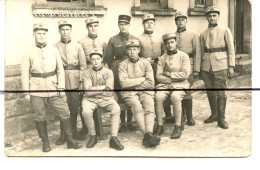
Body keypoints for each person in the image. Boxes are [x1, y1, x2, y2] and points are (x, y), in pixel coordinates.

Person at [21, 23, 82, 152]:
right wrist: (26, 92)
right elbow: (25, 74)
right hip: (37, 89)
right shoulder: (27, 52)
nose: (42, 36)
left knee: (65, 111)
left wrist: (61, 87)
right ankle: (45, 142)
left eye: (44, 33)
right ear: (34, 34)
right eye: (39, 33)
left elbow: (60, 70)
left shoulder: (53, 50)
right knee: (39, 116)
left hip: (54, 87)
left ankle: (70, 140)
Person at [118, 39, 160, 147]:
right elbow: (123, 83)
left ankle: (148, 133)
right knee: (137, 106)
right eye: (129, 49)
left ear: (139, 50)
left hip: (146, 92)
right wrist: (141, 80)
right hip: (129, 94)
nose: (132, 52)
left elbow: (151, 83)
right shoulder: (122, 65)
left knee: (149, 105)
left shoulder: (146, 63)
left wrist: (133, 85)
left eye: (134, 49)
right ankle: (147, 134)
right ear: (126, 51)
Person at [81, 48, 124, 150]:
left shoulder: (108, 72)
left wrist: (94, 89)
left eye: (97, 59)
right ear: (90, 61)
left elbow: (109, 90)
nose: (95, 61)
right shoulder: (86, 73)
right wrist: (102, 87)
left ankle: (114, 138)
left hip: (106, 98)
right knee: (86, 112)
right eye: (93, 59)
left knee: (116, 109)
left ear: (101, 60)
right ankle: (93, 136)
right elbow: (87, 91)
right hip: (89, 99)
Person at [200, 6, 235, 129]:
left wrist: (231, 66)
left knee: (220, 91)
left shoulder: (225, 30)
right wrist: (200, 69)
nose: (212, 18)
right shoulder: (203, 33)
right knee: (210, 90)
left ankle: (221, 118)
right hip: (206, 65)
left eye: (214, 15)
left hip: (221, 64)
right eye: (209, 16)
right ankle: (214, 114)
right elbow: (201, 51)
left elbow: (231, 49)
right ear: (207, 18)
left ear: (218, 17)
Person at [54, 20, 87, 144]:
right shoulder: (55, 47)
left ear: (71, 31)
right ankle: (63, 134)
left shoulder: (78, 46)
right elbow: (54, 67)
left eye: (67, 29)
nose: (65, 32)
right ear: (59, 31)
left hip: (75, 81)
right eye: (62, 29)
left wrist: (81, 82)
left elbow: (83, 65)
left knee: (74, 108)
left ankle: (74, 131)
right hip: (61, 81)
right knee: (63, 108)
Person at [104, 15, 137, 133]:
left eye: (126, 24)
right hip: (118, 71)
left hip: (132, 70)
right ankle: (123, 123)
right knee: (121, 97)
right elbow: (108, 57)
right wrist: (115, 66)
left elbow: (139, 54)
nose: (123, 26)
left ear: (129, 25)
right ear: (118, 25)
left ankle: (130, 122)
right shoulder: (113, 40)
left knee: (131, 94)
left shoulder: (134, 38)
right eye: (121, 24)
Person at [138, 14, 173, 125]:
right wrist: (145, 59)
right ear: (143, 24)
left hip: (160, 68)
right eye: (146, 22)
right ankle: (153, 116)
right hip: (147, 69)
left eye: (151, 22)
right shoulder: (139, 38)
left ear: (154, 24)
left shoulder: (160, 37)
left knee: (163, 89)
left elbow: (165, 52)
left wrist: (160, 59)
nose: (149, 24)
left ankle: (168, 114)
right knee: (150, 91)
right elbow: (137, 55)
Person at [155, 33, 190, 139]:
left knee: (175, 96)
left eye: (172, 42)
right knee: (158, 97)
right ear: (164, 45)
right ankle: (160, 126)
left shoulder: (184, 56)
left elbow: (185, 74)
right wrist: (171, 80)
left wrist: (170, 74)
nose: (170, 45)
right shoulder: (162, 58)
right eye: (167, 43)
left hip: (181, 84)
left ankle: (177, 126)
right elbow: (158, 76)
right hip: (165, 85)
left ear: (176, 43)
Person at [78, 15, 107, 136]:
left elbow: (105, 60)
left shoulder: (103, 41)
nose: (93, 28)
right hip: (87, 74)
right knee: (86, 101)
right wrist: (81, 80)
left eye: (95, 26)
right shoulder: (81, 42)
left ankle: (99, 128)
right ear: (87, 28)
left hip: (100, 75)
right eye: (90, 26)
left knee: (99, 99)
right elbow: (82, 63)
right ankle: (86, 127)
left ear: (98, 27)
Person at [174, 11, 201, 127]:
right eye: (178, 19)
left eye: (183, 19)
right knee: (178, 91)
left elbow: (198, 53)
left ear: (186, 21)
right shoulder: (172, 35)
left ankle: (189, 116)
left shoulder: (193, 34)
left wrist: (196, 70)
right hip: (176, 68)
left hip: (189, 66)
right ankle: (182, 115)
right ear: (175, 22)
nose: (180, 21)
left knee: (187, 92)